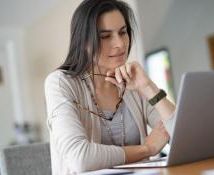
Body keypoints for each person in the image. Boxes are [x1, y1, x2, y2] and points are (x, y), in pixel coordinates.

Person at [44, 0, 175, 174]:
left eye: (123, 32)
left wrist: (148, 87)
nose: (120, 44)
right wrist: (146, 149)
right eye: (105, 37)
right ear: (83, 42)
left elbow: (182, 135)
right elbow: (80, 158)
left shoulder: (133, 82)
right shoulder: (60, 83)